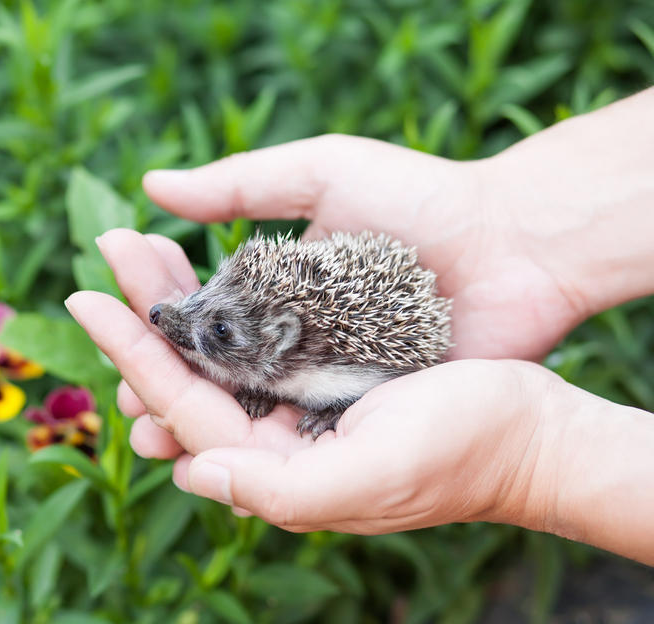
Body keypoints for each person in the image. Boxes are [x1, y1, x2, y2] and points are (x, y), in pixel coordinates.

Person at [64, 86, 654, 566]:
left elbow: (356, 386)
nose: (172, 317)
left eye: (219, 332)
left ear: (283, 344)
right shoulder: (271, 352)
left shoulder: (339, 371)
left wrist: (528, 459)